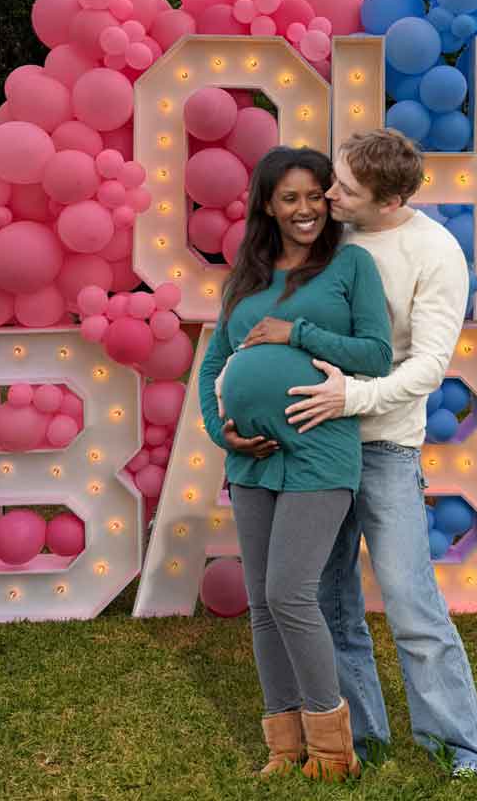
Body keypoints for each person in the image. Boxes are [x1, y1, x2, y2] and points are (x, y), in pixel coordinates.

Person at [281, 128, 477, 778]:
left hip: (384, 449)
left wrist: (350, 398)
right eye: (334, 179)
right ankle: (361, 735)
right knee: (328, 601)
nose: (329, 194)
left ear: (392, 198)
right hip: (314, 446)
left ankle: (465, 750)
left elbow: (430, 366)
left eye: (347, 189)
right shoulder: (329, 232)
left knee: (411, 605)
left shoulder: (433, 251)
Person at [197, 145, 393, 782]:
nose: (306, 208)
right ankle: (284, 747)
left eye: (315, 195)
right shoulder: (247, 277)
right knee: (261, 603)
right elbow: (210, 364)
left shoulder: (350, 265)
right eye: (290, 198)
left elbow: (376, 355)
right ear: (268, 206)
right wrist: (221, 432)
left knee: (290, 594)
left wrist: (296, 333)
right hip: (252, 460)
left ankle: (334, 749)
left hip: (320, 451)